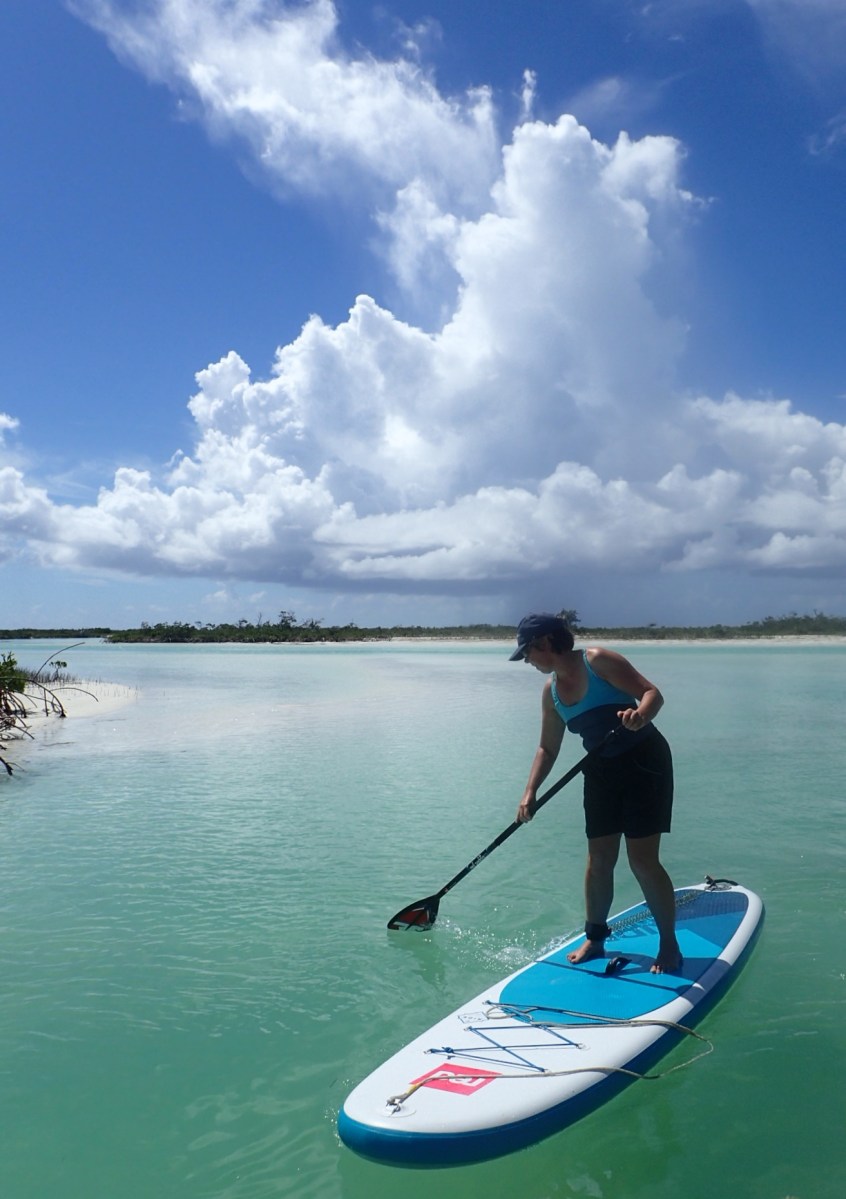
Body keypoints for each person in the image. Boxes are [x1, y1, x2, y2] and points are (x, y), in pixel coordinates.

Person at [511, 613, 681, 974]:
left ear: (545, 643)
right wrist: (530, 792)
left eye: (527, 652)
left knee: (642, 860)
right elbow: (547, 748)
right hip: (600, 770)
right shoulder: (551, 693)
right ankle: (595, 937)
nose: (527, 661)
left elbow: (652, 694)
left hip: (644, 763)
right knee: (599, 859)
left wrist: (641, 715)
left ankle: (669, 943)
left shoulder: (599, 660)